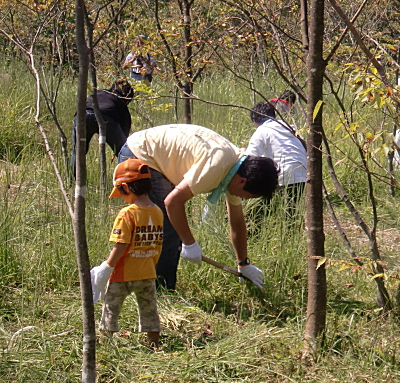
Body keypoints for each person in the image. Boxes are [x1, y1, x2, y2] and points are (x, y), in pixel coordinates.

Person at [118, 124, 279, 290]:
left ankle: (151, 285)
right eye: (250, 196)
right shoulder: (216, 167)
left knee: (168, 226)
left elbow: (237, 222)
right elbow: (172, 202)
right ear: (242, 182)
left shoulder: (237, 170)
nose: (245, 199)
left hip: (153, 156)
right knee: (166, 227)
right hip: (140, 154)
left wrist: (243, 264)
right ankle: (161, 292)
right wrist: (189, 243)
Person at [90, 159, 163, 346]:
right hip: (147, 273)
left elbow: (121, 245)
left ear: (125, 188)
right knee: (149, 310)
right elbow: (157, 245)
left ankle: (106, 343)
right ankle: (153, 343)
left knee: (110, 308)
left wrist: (107, 267)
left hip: (121, 274)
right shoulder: (157, 212)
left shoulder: (127, 214)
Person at [246, 101, 307, 225]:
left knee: (259, 210)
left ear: (255, 120)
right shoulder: (290, 127)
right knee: (290, 213)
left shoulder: (262, 130)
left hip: (283, 175)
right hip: (301, 174)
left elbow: (250, 158)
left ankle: (253, 235)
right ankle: (292, 236)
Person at [71, 78, 135, 177]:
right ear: (126, 98)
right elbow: (125, 125)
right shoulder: (120, 101)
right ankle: (127, 180)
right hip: (106, 117)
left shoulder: (99, 92)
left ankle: (72, 181)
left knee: (78, 151)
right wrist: (120, 146)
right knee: (124, 152)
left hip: (82, 115)